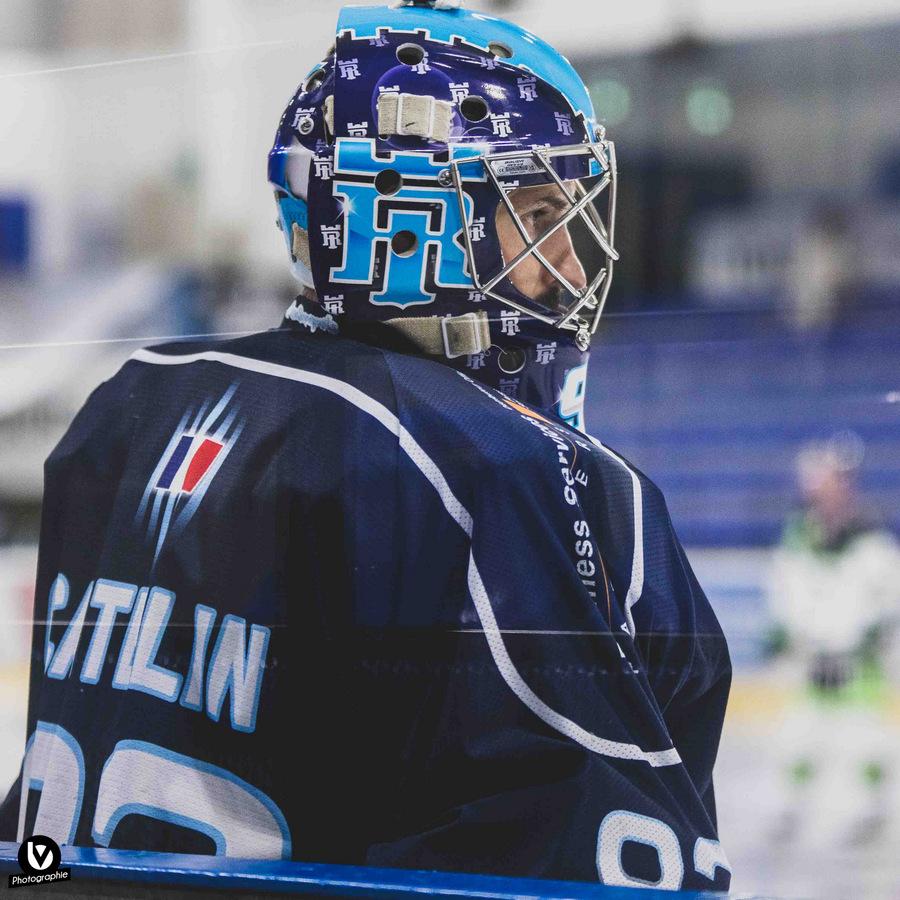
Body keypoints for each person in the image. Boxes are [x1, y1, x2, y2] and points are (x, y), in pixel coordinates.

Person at [0, 1, 731, 891]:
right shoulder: (501, 468)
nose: (572, 266)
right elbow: (600, 862)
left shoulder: (126, 406)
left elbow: (39, 844)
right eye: (541, 214)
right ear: (412, 218)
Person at [766, 433, 900, 845]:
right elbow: (786, 589)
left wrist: (869, 636)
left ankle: (873, 810)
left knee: (866, 737)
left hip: (857, 663)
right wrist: (788, 632)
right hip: (813, 659)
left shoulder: (870, 539)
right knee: (800, 734)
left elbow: (885, 594)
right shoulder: (798, 537)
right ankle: (790, 806)